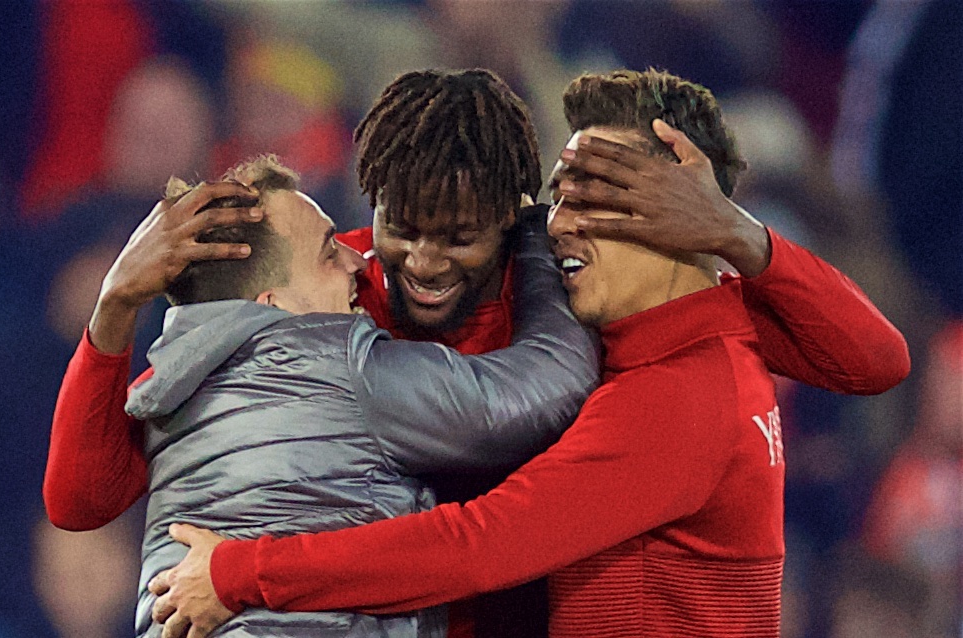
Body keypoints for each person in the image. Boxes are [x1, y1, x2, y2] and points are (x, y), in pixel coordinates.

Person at [44, 69, 909, 638]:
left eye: (457, 238)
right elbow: (86, 498)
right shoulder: (326, 293)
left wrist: (736, 234)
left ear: (511, 217)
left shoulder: (587, 304)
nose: (419, 262)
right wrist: (116, 309)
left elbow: (872, 362)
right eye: (399, 228)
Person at [117, 154, 595, 638]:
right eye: (328, 254)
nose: (355, 263)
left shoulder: (166, 395)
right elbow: (551, 382)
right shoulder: (337, 365)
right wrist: (536, 235)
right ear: (271, 304)